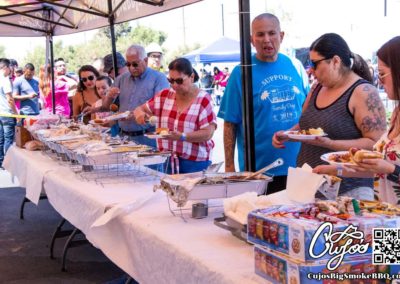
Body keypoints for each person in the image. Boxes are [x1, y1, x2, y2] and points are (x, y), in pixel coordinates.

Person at [273, 33, 386, 200]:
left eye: (314, 64)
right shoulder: (317, 87)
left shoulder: (363, 92)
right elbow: (306, 126)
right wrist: (288, 134)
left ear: (335, 61)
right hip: (308, 185)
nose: (310, 70)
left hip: (348, 192)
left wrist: (331, 144)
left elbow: (375, 144)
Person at [218, 13, 309, 194]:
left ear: (281, 36)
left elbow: (307, 112)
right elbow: (230, 123)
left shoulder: (295, 66)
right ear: (252, 40)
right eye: (260, 35)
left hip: (299, 167)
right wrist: (229, 166)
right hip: (259, 171)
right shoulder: (241, 72)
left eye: (271, 33)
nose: (266, 40)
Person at [313, 36, 400, 204]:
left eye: (382, 74)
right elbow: (377, 170)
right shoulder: (396, 112)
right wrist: (335, 170)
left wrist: (389, 168)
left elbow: (386, 168)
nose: (380, 82)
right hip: (386, 215)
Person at [134, 57, 217, 174]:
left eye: (179, 81)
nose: (174, 85)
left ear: (192, 77)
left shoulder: (203, 99)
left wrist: (183, 136)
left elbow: (208, 133)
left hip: (195, 163)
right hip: (167, 160)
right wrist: (140, 115)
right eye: (171, 81)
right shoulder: (164, 95)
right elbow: (139, 109)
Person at [103, 44, 169, 146]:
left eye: (135, 64)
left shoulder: (158, 78)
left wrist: (134, 115)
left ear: (146, 61)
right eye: (128, 64)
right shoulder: (121, 79)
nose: (131, 68)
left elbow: (161, 110)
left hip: (146, 138)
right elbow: (108, 107)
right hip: (123, 137)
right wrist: (109, 97)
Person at [0, 58, 18, 168]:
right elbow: (10, 99)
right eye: (10, 67)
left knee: (1, 138)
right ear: (6, 68)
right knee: (8, 139)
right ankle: (8, 162)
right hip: (7, 113)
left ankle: (1, 161)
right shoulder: (5, 79)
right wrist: (16, 114)